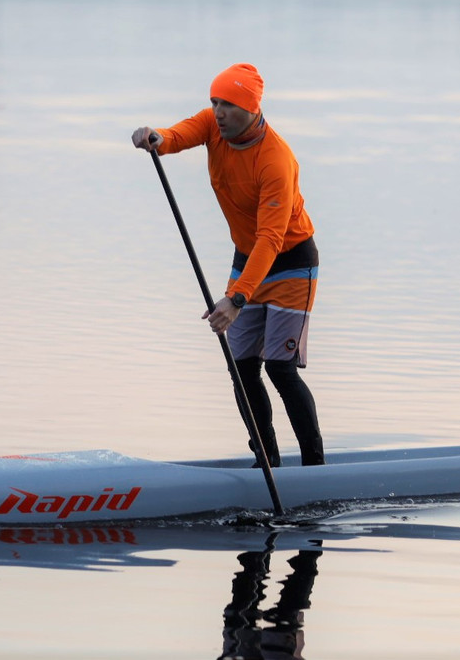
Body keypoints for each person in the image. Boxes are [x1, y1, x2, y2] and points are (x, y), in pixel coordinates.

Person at [132, 63, 324, 467]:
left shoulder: (276, 161)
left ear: (251, 109)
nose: (218, 112)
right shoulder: (211, 127)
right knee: (242, 367)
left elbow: (271, 238)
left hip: (290, 263)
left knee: (280, 368)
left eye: (229, 104)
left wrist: (235, 299)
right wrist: (155, 137)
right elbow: (176, 136)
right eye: (214, 101)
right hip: (246, 259)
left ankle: (314, 466)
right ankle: (267, 458)